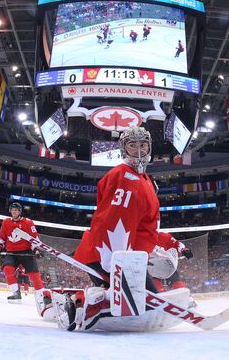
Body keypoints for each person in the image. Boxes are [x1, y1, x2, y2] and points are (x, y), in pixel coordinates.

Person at [56, 126, 161, 331]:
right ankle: (80, 304)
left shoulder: (143, 178)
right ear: (124, 149)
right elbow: (113, 222)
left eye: (143, 145)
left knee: (147, 301)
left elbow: (142, 224)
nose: (139, 151)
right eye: (133, 146)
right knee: (146, 305)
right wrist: (114, 260)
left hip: (126, 256)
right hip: (112, 255)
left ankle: (91, 297)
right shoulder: (124, 177)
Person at [0, 202, 52, 317]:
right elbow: (2, 237)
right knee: (7, 269)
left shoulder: (28, 223)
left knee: (34, 275)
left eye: (16, 210)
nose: (14, 212)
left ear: (20, 212)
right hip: (11, 252)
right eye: (12, 210)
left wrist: (36, 250)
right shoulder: (5, 222)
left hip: (26, 252)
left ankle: (42, 296)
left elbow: (35, 239)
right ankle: (16, 293)